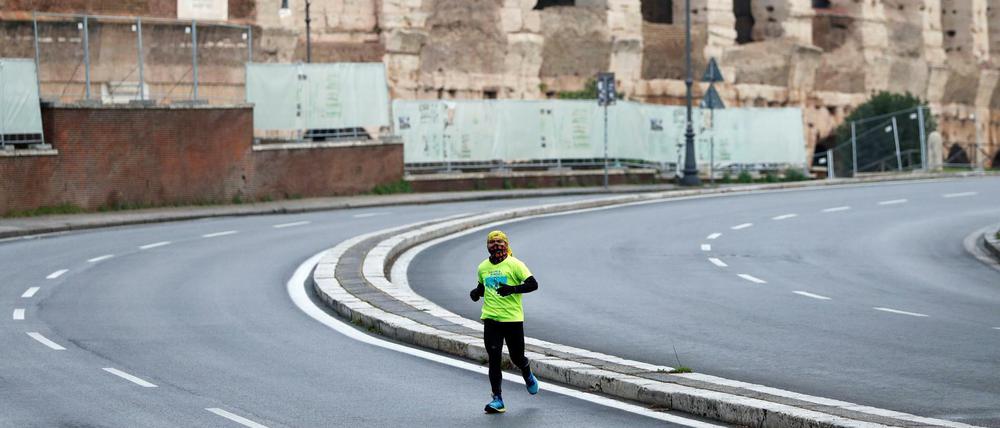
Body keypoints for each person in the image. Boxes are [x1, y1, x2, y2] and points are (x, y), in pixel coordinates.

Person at [470, 230, 540, 414]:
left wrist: (513, 289)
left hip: (512, 320)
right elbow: (483, 287)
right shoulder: (483, 267)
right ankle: (497, 399)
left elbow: (533, 284)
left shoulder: (515, 264)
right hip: (491, 319)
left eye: (500, 242)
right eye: (492, 243)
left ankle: (526, 371)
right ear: (487, 246)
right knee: (494, 359)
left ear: (506, 244)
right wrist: (476, 293)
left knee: (517, 357)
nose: (496, 245)